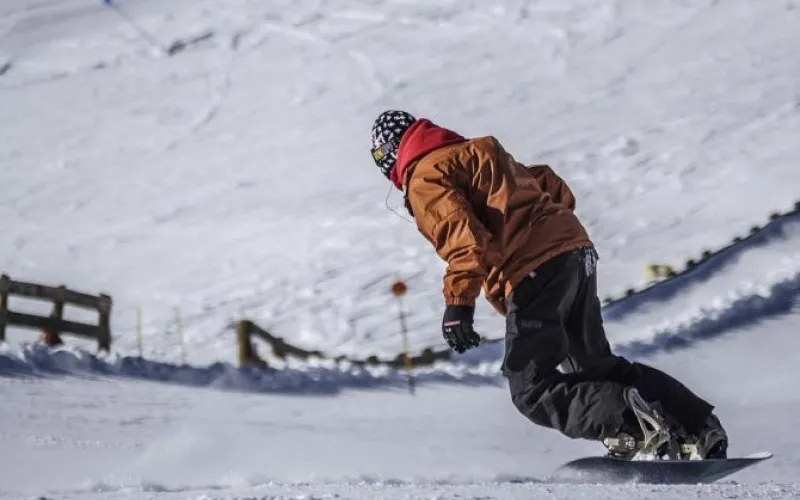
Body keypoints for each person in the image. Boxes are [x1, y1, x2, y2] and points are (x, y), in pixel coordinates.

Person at [368, 110, 728, 460]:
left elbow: (464, 240)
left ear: (392, 151)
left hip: (533, 268)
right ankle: (697, 427)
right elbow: (549, 182)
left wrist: (458, 304)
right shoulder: (477, 152)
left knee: (530, 387)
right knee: (594, 367)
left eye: (381, 157)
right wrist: (550, 228)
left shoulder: (425, 175)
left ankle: (632, 424)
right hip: (574, 252)